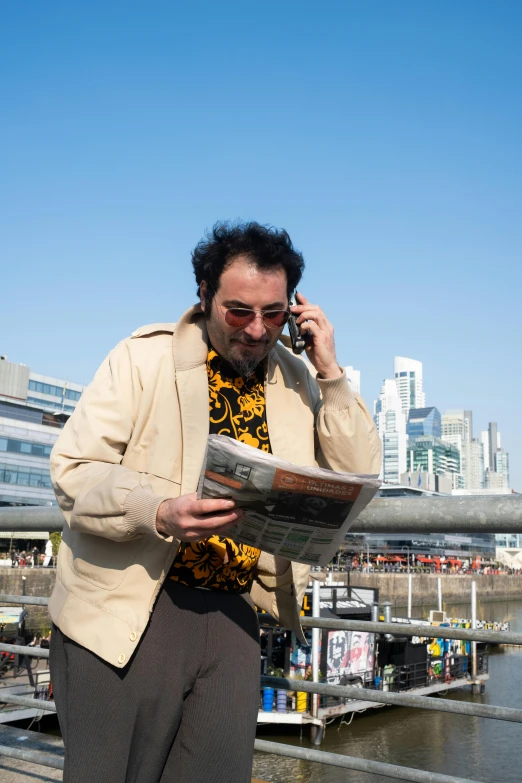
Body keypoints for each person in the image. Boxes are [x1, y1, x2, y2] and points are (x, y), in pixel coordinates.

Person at [48, 221, 381, 783]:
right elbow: (74, 472)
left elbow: (358, 473)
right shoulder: (142, 358)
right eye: (238, 311)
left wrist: (331, 371)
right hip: (129, 605)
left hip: (234, 614)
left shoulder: (298, 377)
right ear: (203, 295)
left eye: (274, 314)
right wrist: (155, 509)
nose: (256, 330)